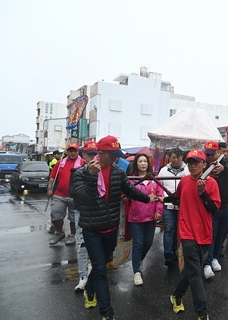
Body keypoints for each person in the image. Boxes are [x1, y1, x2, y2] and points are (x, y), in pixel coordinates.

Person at [70, 135, 158, 320]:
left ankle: (90, 288)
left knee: (105, 261)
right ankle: (106, 312)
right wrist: (93, 177)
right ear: (100, 154)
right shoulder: (80, 173)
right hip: (92, 228)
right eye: (112, 154)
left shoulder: (118, 171)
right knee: (100, 268)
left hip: (111, 228)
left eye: (117, 154)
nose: (116, 157)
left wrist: (147, 198)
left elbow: (129, 189)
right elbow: (82, 198)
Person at [161, 149, 220, 320]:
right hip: (186, 232)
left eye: (196, 162)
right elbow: (176, 197)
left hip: (204, 233)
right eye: (190, 162)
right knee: (195, 272)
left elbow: (214, 209)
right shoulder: (185, 181)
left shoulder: (211, 184)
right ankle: (202, 312)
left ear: (204, 164)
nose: (192, 165)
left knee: (192, 270)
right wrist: (161, 200)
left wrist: (203, 195)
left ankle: (176, 295)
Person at [202, 141, 228, 279]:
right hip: (211, 205)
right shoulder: (203, 164)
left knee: (222, 232)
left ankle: (214, 257)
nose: (210, 157)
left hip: (226, 204)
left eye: (212, 154)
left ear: (219, 152)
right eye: (207, 155)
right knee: (212, 233)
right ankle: (207, 263)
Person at [128, 153, 164, 286]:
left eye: (145, 161)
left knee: (148, 243)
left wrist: (159, 211)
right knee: (138, 243)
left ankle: (139, 259)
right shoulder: (131, 180)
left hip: (151, 218)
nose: (143, 163)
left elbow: (160, 196)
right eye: (140, 161)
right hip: (135, 217)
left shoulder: (155, 179)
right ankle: (136, 271)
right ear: (136, 164)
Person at [72, 141, 98, 292]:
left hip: (98, 214)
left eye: (95, 154)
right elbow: (77, 194)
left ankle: (95, 274)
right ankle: (83, 276)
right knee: (82, 244)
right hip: (81, 212)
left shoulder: (104, 171)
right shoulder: (77, 172)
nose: (93, 157)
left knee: (97, 246)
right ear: (83, 156)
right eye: (90, 154)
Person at [47, 143, 85, 246]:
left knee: (73, 218)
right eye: (70, 151)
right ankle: (59, 232)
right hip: (59, 195)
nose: (72, 153)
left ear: (78, 152)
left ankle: (72, 235)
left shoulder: (83, 163)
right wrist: (49, 189)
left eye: (75, 151)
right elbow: (52, 178)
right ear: (67, 152)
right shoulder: (60, 163)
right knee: (55, 215)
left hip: (75, 196)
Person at [159, 148, 189, 267]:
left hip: (184, 206)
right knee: (169, 230)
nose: (175, 160)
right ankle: (168, 255)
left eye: (178, 157)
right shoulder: (163, 171)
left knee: (180, 230)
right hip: (168, 206)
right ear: (169, 158)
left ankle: (178, 252)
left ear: (182, 157)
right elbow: (159, 187)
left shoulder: (188, 170)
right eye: (173, 157)